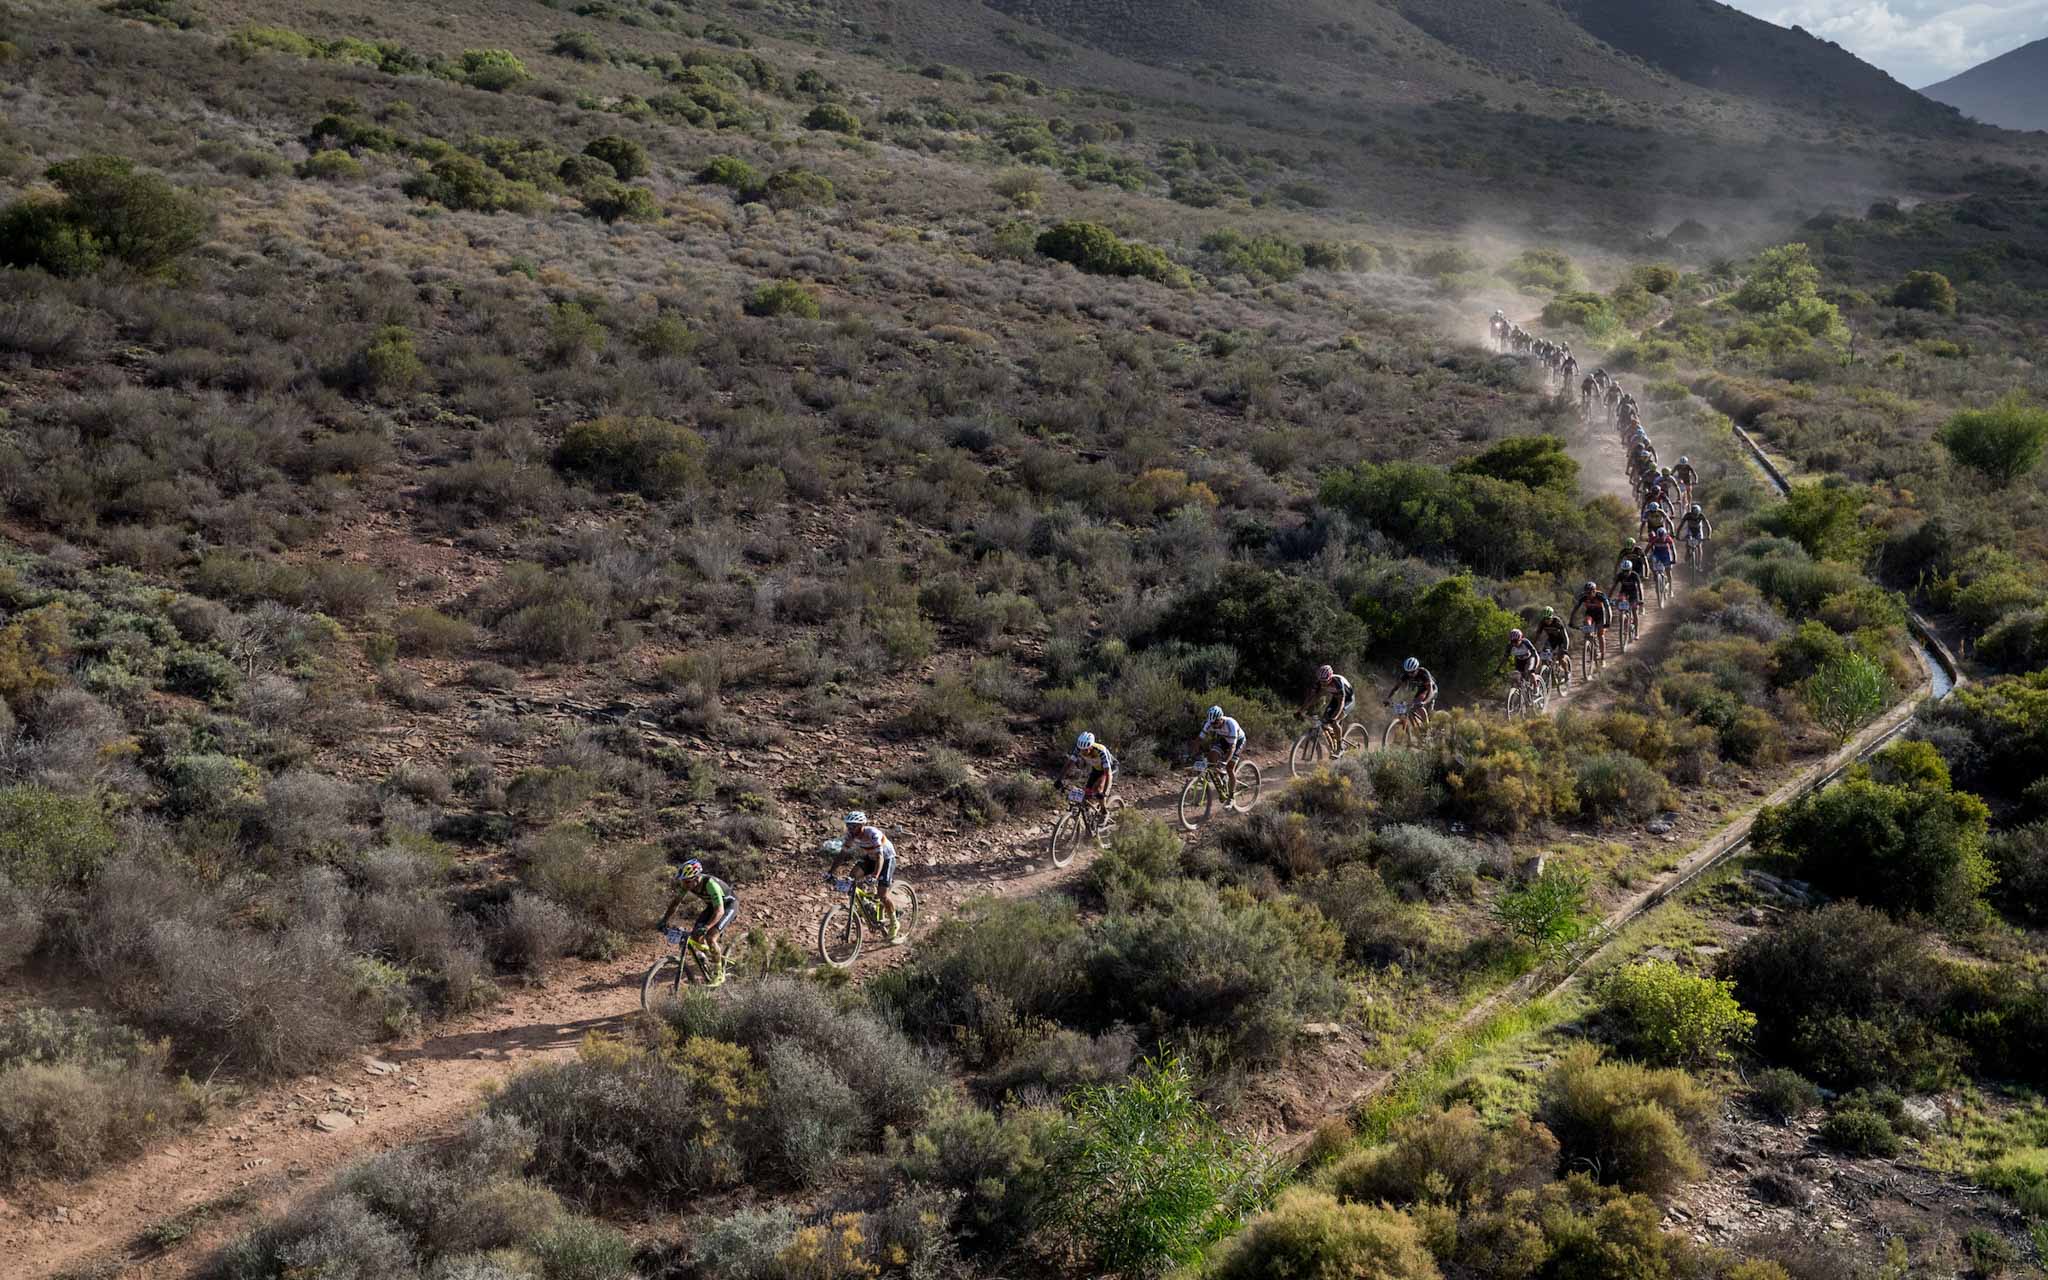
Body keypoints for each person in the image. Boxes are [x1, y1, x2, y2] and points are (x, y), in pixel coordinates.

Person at [656, 859, 737, 986]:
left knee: (710, 937)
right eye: (683, 881)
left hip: (727, 907)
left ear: (696, 878)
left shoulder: (710, 884)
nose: (685, 885)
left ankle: (719, 974)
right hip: (713, 906)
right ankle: (707, 961)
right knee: (695, 936)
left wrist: (707, 927)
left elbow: (720, 911)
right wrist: (664, 920)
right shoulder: (687, 884)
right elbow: (675, 904)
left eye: (687, 881)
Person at [839, 811, 901, 941]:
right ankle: (868, 907)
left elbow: (880, 856)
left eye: (854, 826)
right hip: (871, 858)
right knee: (852, 878)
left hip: (886, 858)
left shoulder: (873, 834)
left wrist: (875, 875)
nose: (851, 829)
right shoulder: (850, 835)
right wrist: (830, 872)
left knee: (882, 894)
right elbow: (842, 854)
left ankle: (894, 922)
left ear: (861, 825)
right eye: (848, 826)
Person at [1194, 706, 1247, 801]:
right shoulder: (1209, 723)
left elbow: (1232, 747)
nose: (1214, 725)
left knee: (1229, 768)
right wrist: (1196, 754)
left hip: (1238, 741)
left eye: (1216, 723)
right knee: (1211, 757)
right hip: (1225, 739)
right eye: (1212, 723)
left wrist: (1224, 762)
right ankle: (1221, 783)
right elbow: (1199, 740)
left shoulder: (1231, 724)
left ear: (1221, 718)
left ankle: (1231, 797)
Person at [1062, 731, 1116, 816]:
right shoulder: (1079, 748)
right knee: (1087, 792)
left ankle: (1104, 811)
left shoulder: (1101, 751)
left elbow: (1108, 774)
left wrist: (1104, 793)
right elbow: (1069, 764)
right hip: (1097, 769)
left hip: (1110, 769)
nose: (1083, 752)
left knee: (1098, 790)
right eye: (1081, 750)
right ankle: (1089, 815)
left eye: (1086, 749)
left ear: (1091, 747)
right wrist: (1059, 779)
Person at [1300, 664, 1356, 747]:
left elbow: (1342, 702)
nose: (1323, 683)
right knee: (1324, 721)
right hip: (1336, 699)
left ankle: (1339, 747)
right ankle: (1333, 741)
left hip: (1348, 700)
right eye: (1321, 681)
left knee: (1334, 722)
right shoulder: (1320, 682)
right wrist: (1301, 710)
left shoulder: (1337, 682)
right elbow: (1312, 698)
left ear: (1330, 677)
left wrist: (1334, 717)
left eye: (1325, 681)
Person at [1385, 656, 1438, 723]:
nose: (1410, 674)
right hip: (1421, 690)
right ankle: (1415, 725)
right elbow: (1396, 688)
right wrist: (1388, 698)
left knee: (1421, 705)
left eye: (1412, 672)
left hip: (1432, 690)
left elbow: (1430, 691)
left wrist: (1424, 702)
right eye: (1408, 672)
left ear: (1417, 669)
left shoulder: (1424, 673)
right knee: (1409, 705)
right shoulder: (1406, 675)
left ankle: (1427, 729)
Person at [1571, 580, 1611, 663]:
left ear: (1594, 591)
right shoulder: (1583, 597)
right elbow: (1575, 609)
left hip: (1600, 615)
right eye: (1586, 593)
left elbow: (1608, 609)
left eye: (1589, 593)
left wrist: (1608, 621)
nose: (1588, 595)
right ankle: (1590, 645)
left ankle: (1603, 658)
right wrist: (1571, 621)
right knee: (1587, 626)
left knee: (1600, 635)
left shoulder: (1601, 596)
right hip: (1590, 614)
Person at [1611, 559, 1645, 635]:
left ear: (1631, 569)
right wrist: (1608, 598)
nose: (1625, 573)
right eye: (1624, 571)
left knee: (1634, 611)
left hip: (1633, 594)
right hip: (1624, 592)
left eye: (1627, 570)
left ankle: (1636, 632)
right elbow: (1613, 587)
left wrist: (1641, 599)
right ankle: (1623, 622)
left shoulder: (1635, 575)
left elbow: (1639, 587)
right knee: (1621, 608)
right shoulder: (1620, 575)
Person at [1507, 627, 1542, 699]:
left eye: (1516, 641)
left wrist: (1534, 668)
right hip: (1519, 660)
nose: (1514, 643)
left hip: (1530, 658)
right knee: (1517, 676)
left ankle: (1536, 687)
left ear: (1520, 639)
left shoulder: (1526, 642)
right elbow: (1504, 658)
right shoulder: (1510, 646)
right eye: (1512, 641)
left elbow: (1535, 655)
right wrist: (1498, 669)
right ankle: (1521, 695)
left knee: (1529, 671)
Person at [1535, 605, 1571, 671]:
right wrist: (1534, 647)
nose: (1546, 620)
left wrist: (1565, 649)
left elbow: (1565, 636)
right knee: (1545, 656)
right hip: (1551, 640)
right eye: (1545, 618)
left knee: (1561, 658)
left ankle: (1567, 673)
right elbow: (1537, 635)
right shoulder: (1542, 623)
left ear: (1552, 617)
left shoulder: (1557, 622)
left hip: (1561, 640)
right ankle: (1547, 672)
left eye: (1548, 618)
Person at [1646, 526, 1678, 590]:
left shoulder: (1669, 539)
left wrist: (1674, 559)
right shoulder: (1654, 539)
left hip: (1666, 555)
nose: (1661, 539)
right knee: (1652, 564)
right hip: (1657, 554)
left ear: (1665, 535)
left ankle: (1670, 590)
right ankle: (1656, 579)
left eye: (1662, 537)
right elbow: (1647, 548)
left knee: (1668, 571)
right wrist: (1644, 555)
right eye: (1659, 537)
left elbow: (1673, 550)